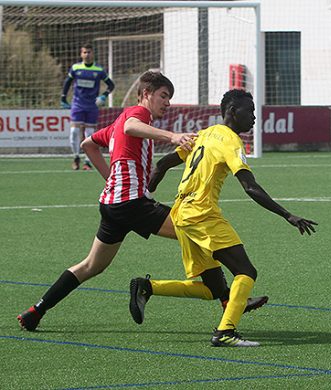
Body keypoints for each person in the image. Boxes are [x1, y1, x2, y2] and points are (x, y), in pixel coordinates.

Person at [17, 72, 266, 332]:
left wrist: (112, 180)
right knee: (195, 226)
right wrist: (171, 136)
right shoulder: (138, 114)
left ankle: (36, 311)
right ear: (146, 94)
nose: (167, 103)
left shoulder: (117, 122)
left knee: (91, 265)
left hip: (113, 204)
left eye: (169, 98)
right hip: (132, 203)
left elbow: (88, 144)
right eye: (163, 96)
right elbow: (130, 127)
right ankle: (228, 299)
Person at [130, 89, 318, 347]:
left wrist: (147, 195)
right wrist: (287, 215)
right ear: (233, 112)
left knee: (213, 289)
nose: (253, 117)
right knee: (246, 272)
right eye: (249, 111)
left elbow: (162, 164)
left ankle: (147, 287)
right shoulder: (231, 141)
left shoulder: (204, 134)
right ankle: (226, 332)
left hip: (181, 214)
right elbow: (250, 187)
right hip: (202, 214)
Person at [61, 43, 115, 171]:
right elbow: (67, 83)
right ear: (81, 54)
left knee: (90, 134)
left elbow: (111, 85)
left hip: (92, 106)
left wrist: (103, 96)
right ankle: (76, 157)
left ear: (93, 53)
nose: (87, 54)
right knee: (74, 132)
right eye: (84, 52)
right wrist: (63, 97)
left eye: (89, 52)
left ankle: (87, 161)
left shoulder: (99, 70)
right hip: (77, 104)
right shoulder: (75, 68)